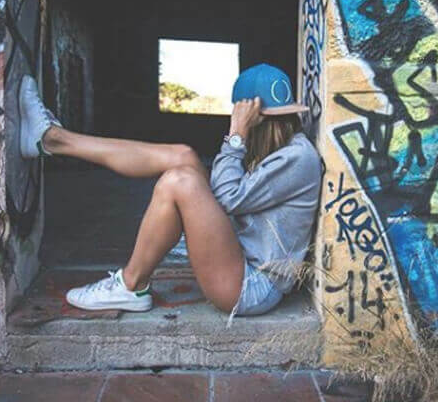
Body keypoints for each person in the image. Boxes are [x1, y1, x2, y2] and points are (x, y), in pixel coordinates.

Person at [19, 63, 322, 317]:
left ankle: (131, 284)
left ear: (255, 120)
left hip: (252, 287)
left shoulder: (297, 157)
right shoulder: (283, 149)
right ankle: (54, 139)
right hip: (238, 255)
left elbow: (227, 197)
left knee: (180, 181)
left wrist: (236, 136)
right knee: (183, 156)